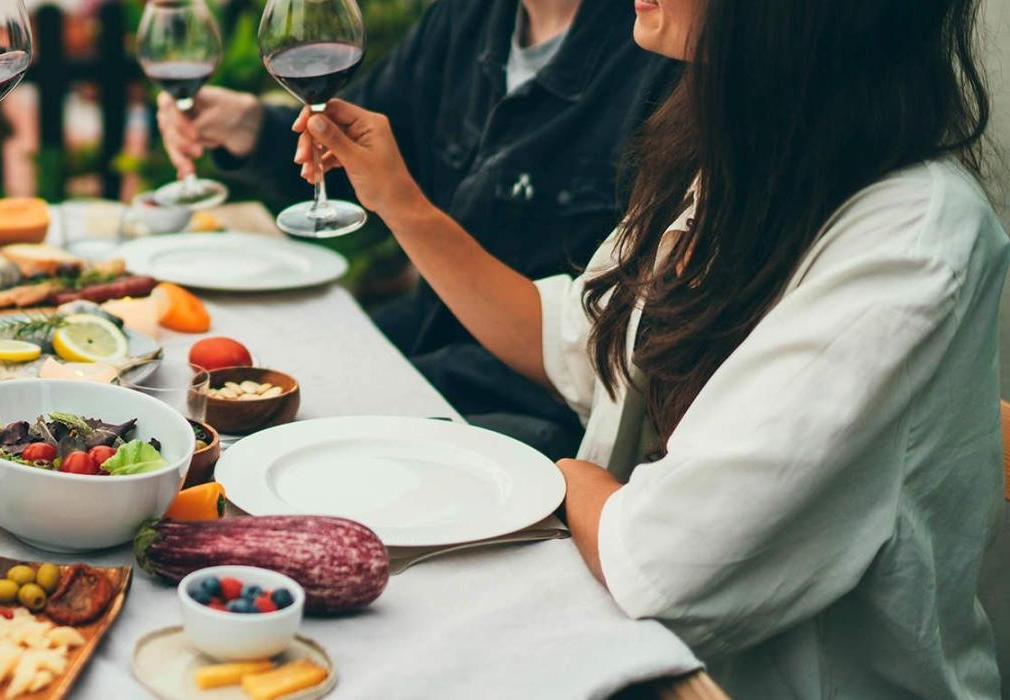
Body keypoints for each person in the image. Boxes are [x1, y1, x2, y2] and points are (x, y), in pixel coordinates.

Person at [302, 0, 1003, 696]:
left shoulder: (908, 244)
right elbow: (584, 346)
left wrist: (567, 479)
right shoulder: (752, 155)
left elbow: (665, 562)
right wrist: (398, 200)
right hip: (630, 643)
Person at [158, 0, 677, 459]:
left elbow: (603, 350)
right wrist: (248, 125)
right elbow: (359, 156)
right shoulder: (468, 16)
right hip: (429, 335)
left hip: (534, 407)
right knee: (226, 390)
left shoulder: (659, 48)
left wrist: (402, 204)